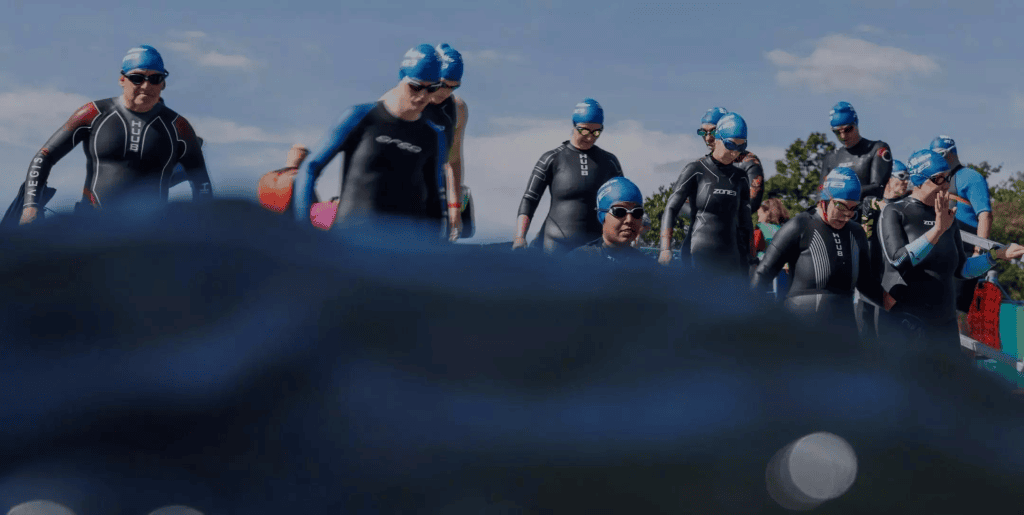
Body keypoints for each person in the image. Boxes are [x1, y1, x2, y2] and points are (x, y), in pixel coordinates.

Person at [18, 45, 212, 225]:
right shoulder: (93, 113)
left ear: (163, 83)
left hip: (150, 236)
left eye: (155, 79)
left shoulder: (178, 126)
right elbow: (45, 156)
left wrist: (202, 224)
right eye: (137, 78)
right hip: (90, 227)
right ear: (122, 79)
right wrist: (30, 206)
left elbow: (201, 180)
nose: (146, 86)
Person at [877, 149, 1023, 352]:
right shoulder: (895, 212)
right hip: (908, 322)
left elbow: (961, 269)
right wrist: (937, 230)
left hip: (944, 325)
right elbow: (898, 259)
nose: (946, 184)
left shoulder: (947, 218)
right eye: (938, 179)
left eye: (948, 178)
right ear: (919, 180)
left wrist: (996, 255)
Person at [293, 44, 447, 234]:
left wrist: (436, 251)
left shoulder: (432, 135)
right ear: (401, 77)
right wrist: (303, 231)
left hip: (406, 249)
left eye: (432, 88)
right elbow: (309, 168)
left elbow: (436, 199)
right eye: (415, 86)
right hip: (354, 242)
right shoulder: (361, 117)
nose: (423, 96)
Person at [751, 169, 881, 334]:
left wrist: (899, 307)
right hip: (801, 333)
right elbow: (763, 274)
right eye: (841, 206)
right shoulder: (800, 225)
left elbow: (867, 284)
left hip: (845, 336)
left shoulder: (856, 233)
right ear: (825, 200)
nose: (847, 214)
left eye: (853, 208)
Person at [513, 98, 625, 255]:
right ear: (574, 125)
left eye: (597, 132)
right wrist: (520, 237)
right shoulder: (552, 158)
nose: (590, 137)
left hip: (595, 249)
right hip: (555, 245)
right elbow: (530, 199)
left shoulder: (609, 161)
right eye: (585, 130)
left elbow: (624, 204)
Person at [659, 113, 753, 275]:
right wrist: (665, 248)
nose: (735, 152)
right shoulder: (696, 169)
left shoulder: (741, 177)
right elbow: (671, 208)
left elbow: (746, 223)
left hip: (731, 259)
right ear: (717, 139)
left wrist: (752, 260)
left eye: (741, 147)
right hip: (698, 255)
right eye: (730, 145)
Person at [930, 135, 994, 315]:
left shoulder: (971, 177)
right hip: (940, 253)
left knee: (958, 310)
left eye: (938, 156)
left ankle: (961, 344)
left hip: (964, 254)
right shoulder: (936, 181)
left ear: (949, 154)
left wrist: (978, 252)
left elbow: (985, 215)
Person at [423, 43, 471, 242]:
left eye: (454, 86)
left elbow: (454, 161)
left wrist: (455, 208)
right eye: (443, 84)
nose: (447, 92)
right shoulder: (406, 101)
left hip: (434, 187)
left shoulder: (457, 109)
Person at [565, 177, 651, 266]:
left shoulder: (648, 267)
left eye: (637, 212)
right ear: (602, 216)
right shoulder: (577, 261)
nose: (629, 220)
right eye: (619, 211)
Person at [821, 102, 892, 200]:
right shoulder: (830, 158)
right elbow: (821, 193)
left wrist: (842, 193)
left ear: (856, 123)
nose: (843, 136)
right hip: (839, 213)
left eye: (848, 129)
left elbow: (879, 188)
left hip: (866, 213)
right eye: (837, 132)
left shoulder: (878, 149)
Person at [697, 107, 764, 212]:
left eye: (713, 132)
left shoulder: (748, 161)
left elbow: (752, 203)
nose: (707, 138)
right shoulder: (701, 164)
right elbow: (681, 204)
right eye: (703, 132)